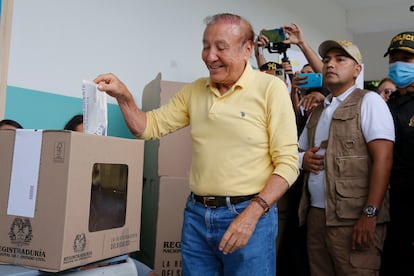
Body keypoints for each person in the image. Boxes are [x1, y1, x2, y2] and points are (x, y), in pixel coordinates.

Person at [94, 13, 299, 276]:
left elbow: (288, 163)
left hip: (250, 215)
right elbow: (147, 127)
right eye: (206, 46)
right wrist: (124, 97)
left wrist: (253, 213)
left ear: (247, 49)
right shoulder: (195, 91)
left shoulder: (271, 89)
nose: (210, 56)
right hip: (197, 215)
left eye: (221, 48)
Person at [297, 40, 395, 276]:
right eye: (328, 59)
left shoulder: (369, 101)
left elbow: (384, 159)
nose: (331, 64)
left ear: (357, 70)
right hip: (317, 216)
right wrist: (303, 160)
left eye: (341, 59)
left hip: (353, 218)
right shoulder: (319, 109)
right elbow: (296, 151)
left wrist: (369, 214)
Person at [380, 31, 414, 276]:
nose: (398, 64)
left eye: (406, 58)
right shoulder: (385, 104)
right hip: (386, 202)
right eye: (393, 59)